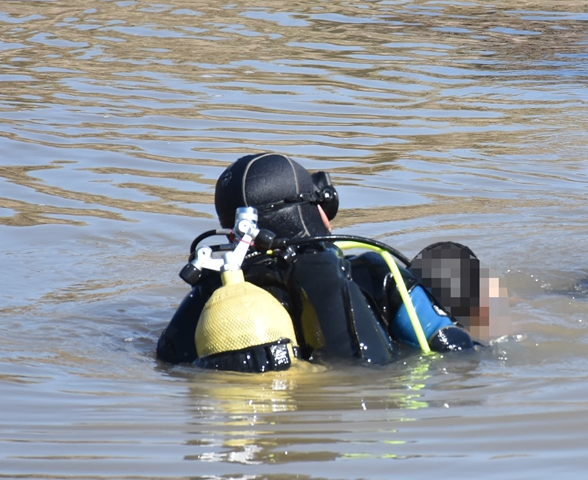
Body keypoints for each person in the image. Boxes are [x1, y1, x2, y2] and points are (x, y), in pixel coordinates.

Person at [157, 153, 498, 372]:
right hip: (373, 390)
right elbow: (455, 349)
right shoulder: (372, 274)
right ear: (311, 211)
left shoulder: (218, 293)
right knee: (450, 264)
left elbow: (167, 358)